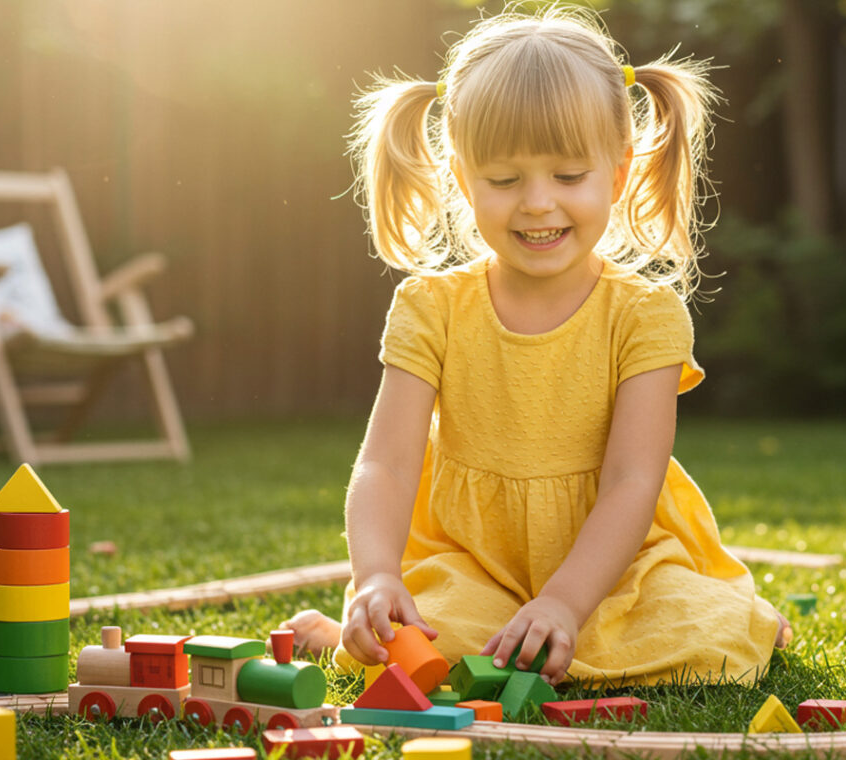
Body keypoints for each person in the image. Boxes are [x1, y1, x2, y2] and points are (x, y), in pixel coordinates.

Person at [282, 4, 790, 688]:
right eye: (504, 180)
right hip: (474, 562)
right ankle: (346, 622)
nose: (538, 203)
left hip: (615, 567)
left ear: (617, 172)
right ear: (463, 179)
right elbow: (387, 466)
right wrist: (375, 574)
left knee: (711, 643)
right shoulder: (431, 307)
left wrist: (564, 601)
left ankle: (735, 611)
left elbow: (632, 482)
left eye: (568, 176)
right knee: (434, 639)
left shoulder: (645, 315)